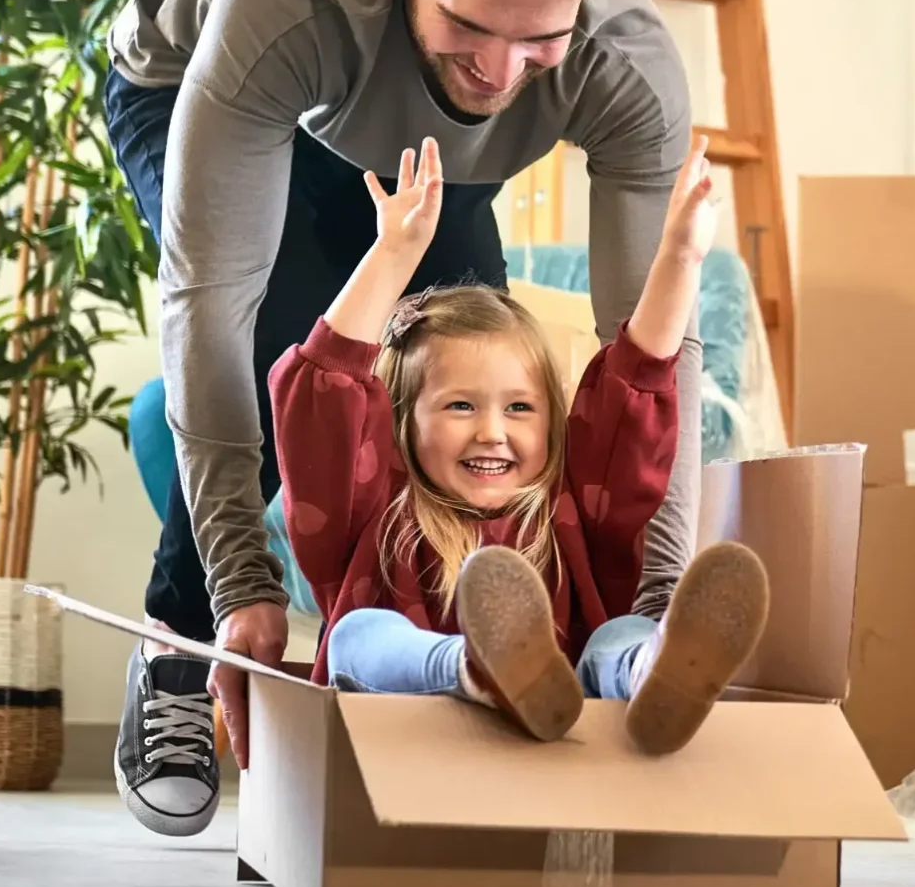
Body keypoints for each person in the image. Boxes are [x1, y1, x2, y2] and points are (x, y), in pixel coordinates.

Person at [103, 0, 700, 833]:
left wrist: (656, 603)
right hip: (200, 77)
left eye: (539, 41)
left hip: (416, 136)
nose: (500, 72)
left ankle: (455, 659)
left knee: (469, 371)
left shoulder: (624, 64)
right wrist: (241, 582)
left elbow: (651, 348)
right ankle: (176, 641)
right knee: (293, 338)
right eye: (472, 25)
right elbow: (213, 302)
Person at [269, 136, 767, 754]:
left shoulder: (572, 508)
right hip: (404, 734)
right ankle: (474, 668)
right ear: (400, 421)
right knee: (355, 634)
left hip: (564, 722)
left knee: (622, 634)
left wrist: (681, 257)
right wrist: (392, 254)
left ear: (553, 422)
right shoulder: (374, 506)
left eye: (519, 408)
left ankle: (651, 675)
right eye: (460, 406)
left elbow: (637, 387)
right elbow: (323, 399)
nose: (492, 431)